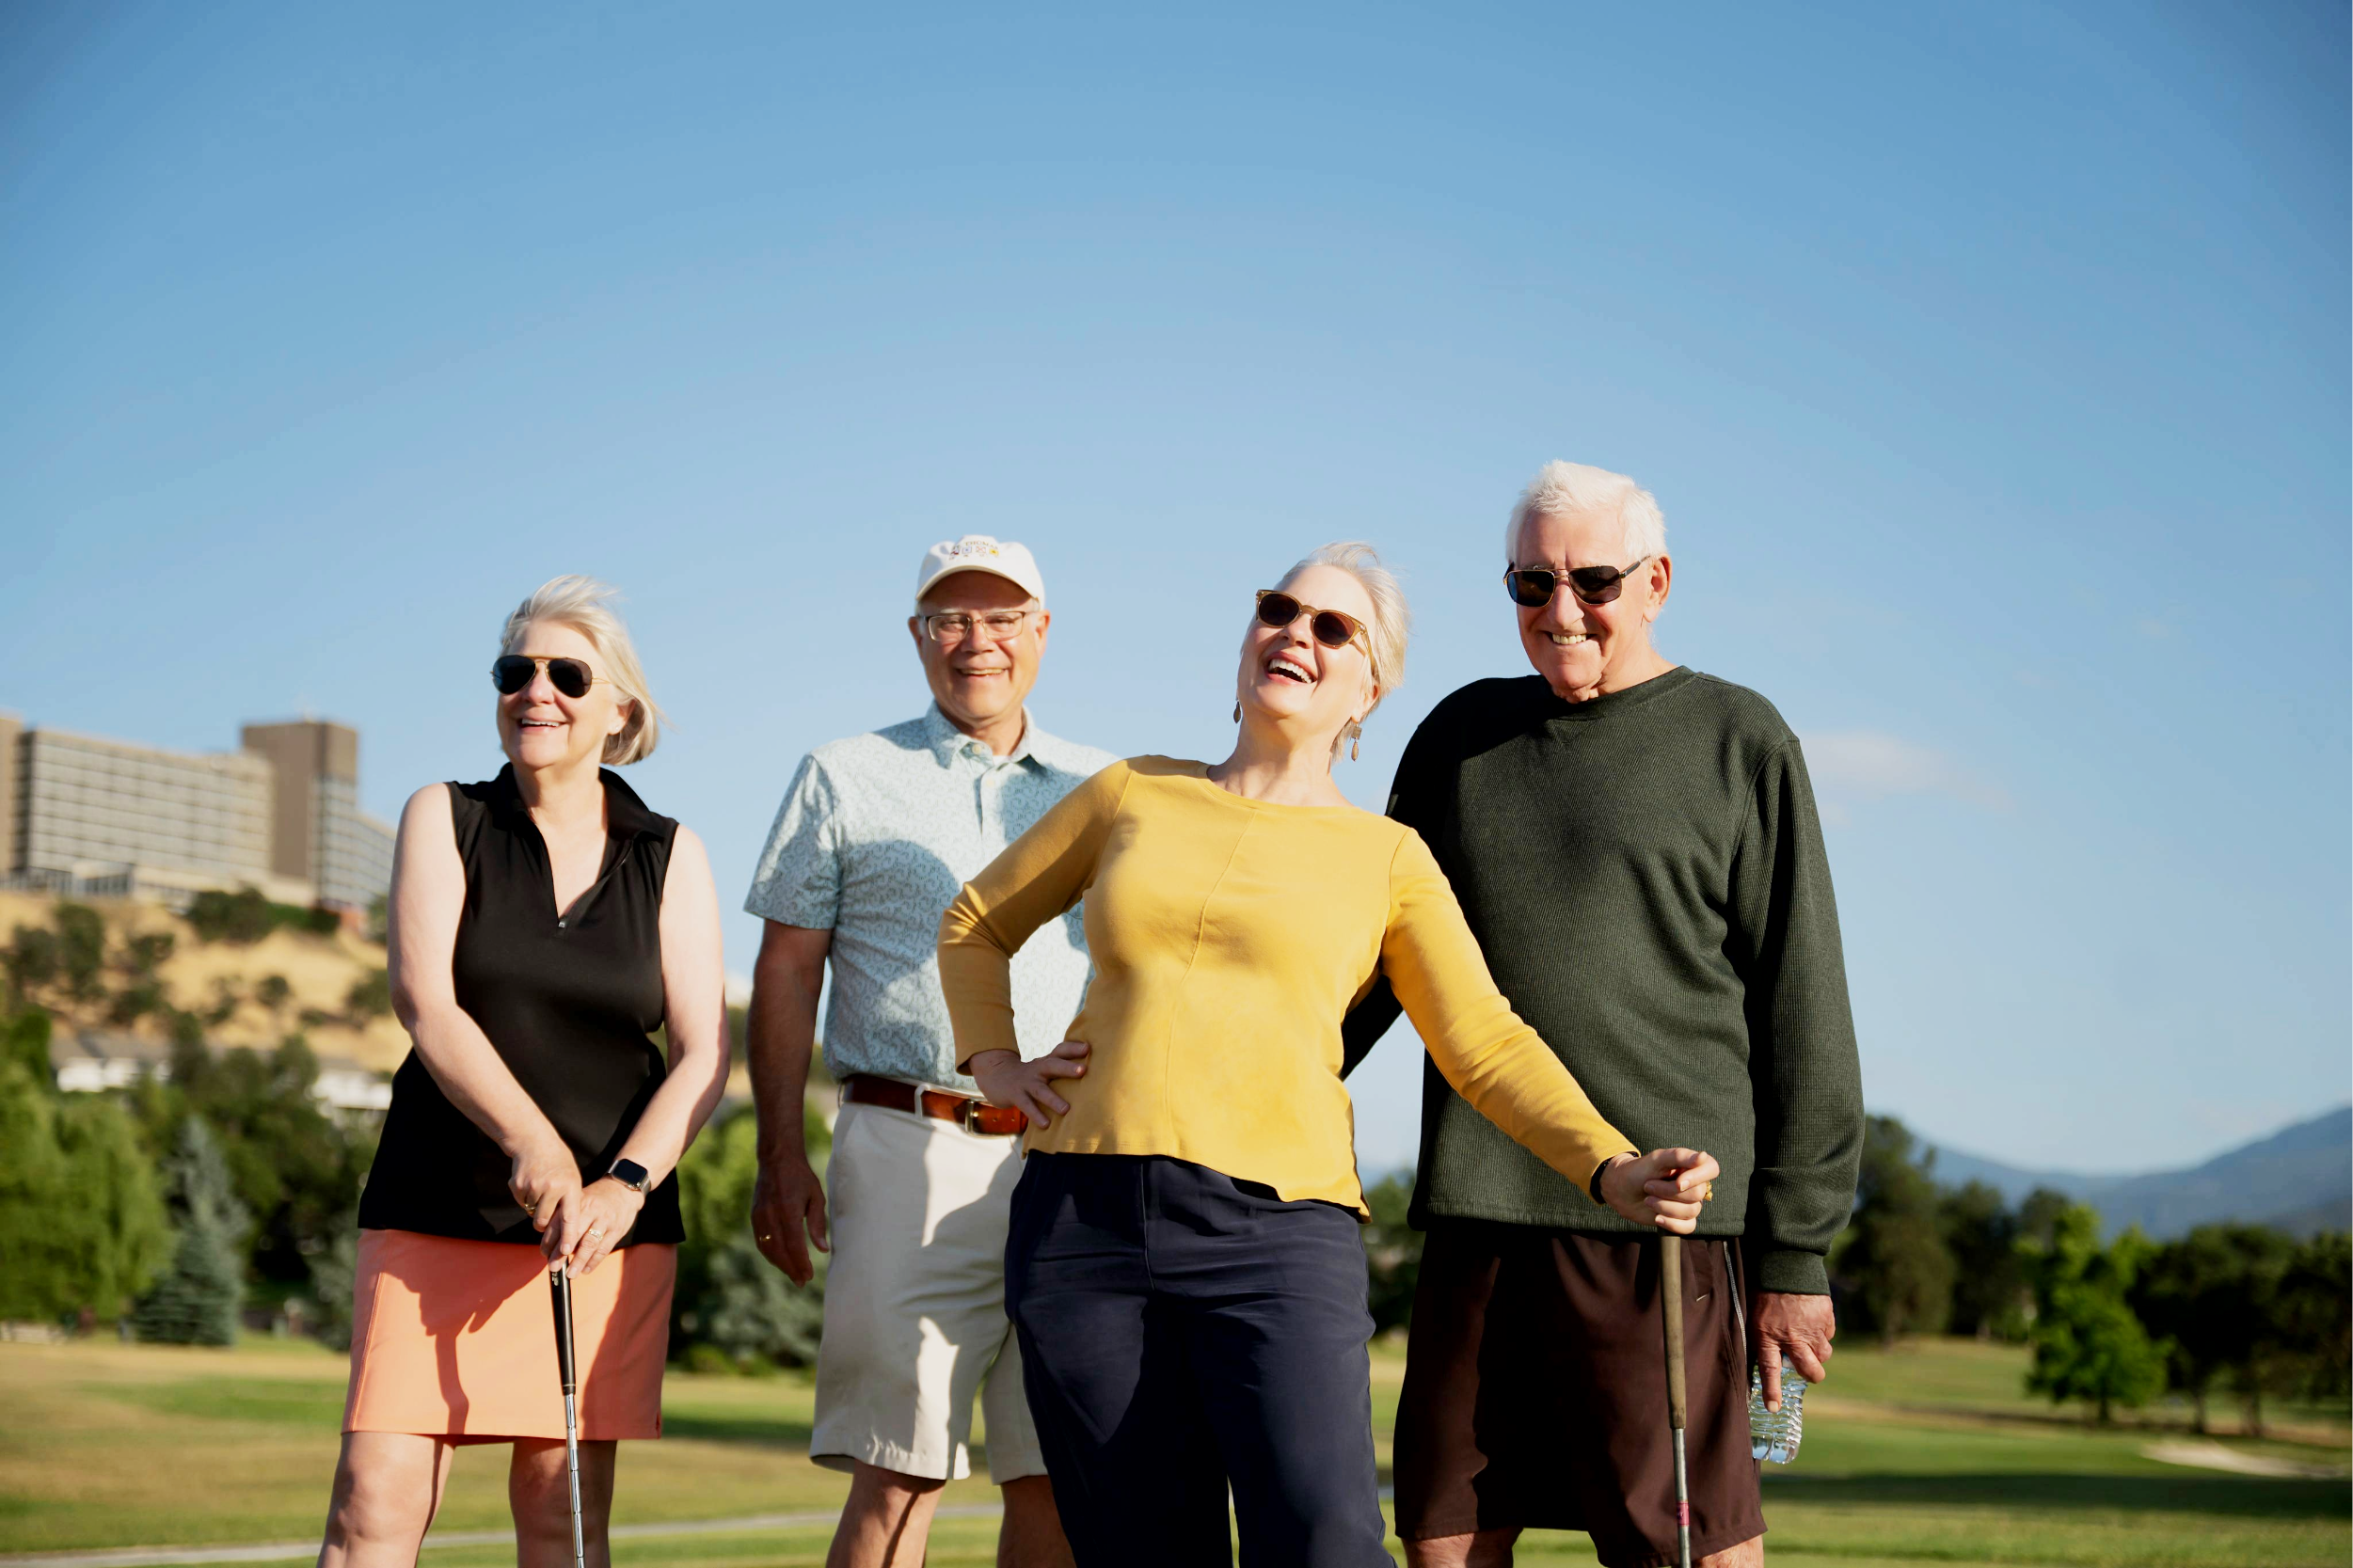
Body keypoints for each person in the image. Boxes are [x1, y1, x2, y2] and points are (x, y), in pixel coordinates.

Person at [937, 542, 1721, 1568]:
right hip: (1079, 1225)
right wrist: (993, 1060)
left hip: (1274, 1237)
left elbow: (1482, 1040)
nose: (1294, 633)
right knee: (1136, 1545)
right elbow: (974, 921)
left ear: (1369, 686)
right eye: (1278, 609)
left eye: (1331, 627)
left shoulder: (1387, 857)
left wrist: (1606, 1162)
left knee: (1324, 1539)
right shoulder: (1133, 791)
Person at [1342, 463, 1866, 1568]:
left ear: (1656, 580)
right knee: (1439, 1540)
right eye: (1530, 582)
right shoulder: (1457, 737)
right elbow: (1374, 966)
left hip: (1661, 1230)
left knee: (1686, 1552)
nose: (1560, 610)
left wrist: (1795, 1255)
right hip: (1478, 1212)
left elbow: (1802, 1004)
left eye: (1591, 580)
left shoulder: (1738, 738)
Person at [317, 576, 730, 1568]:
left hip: (598, 1235)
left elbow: (704, 1051)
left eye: (566, 674)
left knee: (561, 1519)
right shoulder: (444, 815)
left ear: (618, 710)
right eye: (516, 671)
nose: (534, 689)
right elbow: (426, 1000)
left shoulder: (669, 855)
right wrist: (532, 1141)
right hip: (435, 1206)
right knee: (372, 1504)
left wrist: (624, 1184)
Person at [744, 535, 1111, 1568]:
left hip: (1066, 1159)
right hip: (909, 1144)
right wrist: (780, 1154)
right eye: (951, 618)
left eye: (1002, 618)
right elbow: (784, 973)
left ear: (1041, 631)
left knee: (1052, 1481)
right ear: (916, 634)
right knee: (897, 1476)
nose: (976, 641)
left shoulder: (1107, 787)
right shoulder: (843, 775)